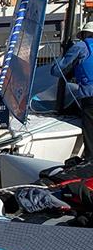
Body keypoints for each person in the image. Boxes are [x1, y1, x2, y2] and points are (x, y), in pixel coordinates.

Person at [52, 21, 93, 160]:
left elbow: (57, 71)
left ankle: (90, 161)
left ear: (84, 34)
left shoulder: (80, 46)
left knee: (89, 130)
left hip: (89, 96)